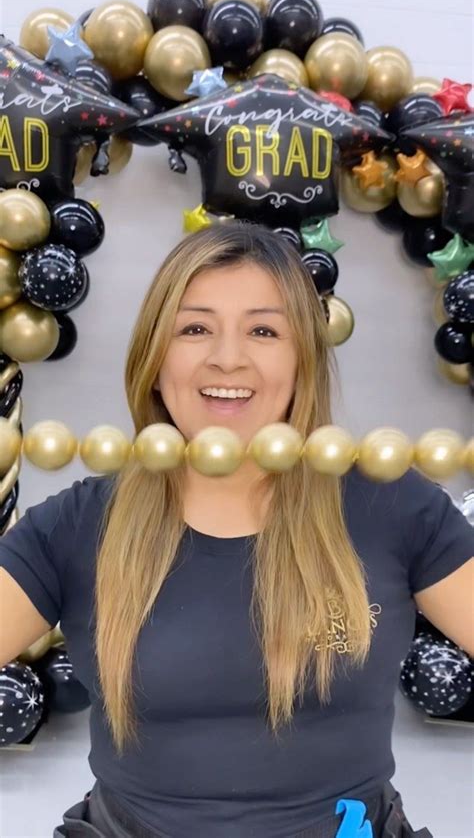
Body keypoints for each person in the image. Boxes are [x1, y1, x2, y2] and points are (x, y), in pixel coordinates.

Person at [0, 222, 473, 838]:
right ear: (154, 356)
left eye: (264, 330)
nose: (228, 357)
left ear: (302, 355)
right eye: (195, 328)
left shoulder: (395, 505)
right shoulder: (76, 524)